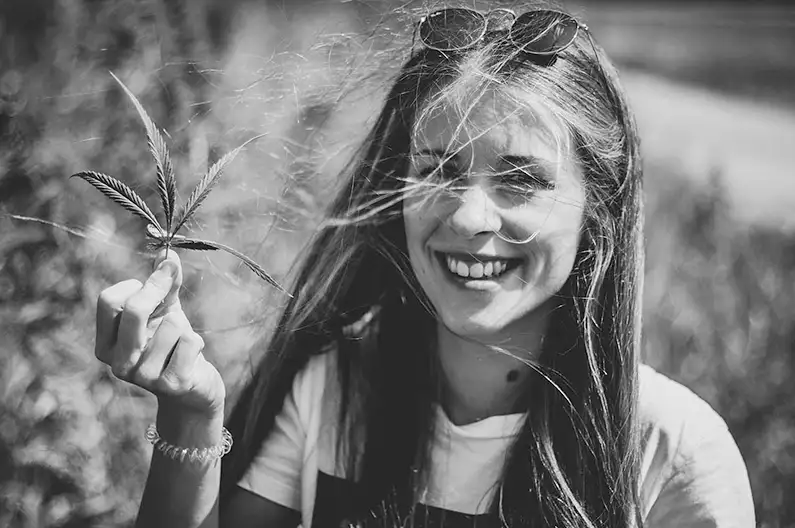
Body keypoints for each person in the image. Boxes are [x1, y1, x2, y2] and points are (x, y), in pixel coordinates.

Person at [93, 4, 755, 528]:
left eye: (520, 179)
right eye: (436, 170)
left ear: (599, 207)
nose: (468, 219)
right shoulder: (332, 394)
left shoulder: (670, 452)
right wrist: (190, 414)